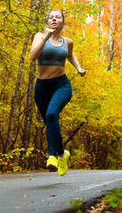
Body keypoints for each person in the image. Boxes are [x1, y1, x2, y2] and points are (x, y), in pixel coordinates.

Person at [30, 10, 86, 176]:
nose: (54, 19)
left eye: (58, 17)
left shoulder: (67, 42)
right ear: (48, 22)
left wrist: (78, 68)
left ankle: (52, 157)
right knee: (50, 124)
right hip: (41, 87)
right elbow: (33, 56)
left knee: (52, 114)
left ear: (62, 23)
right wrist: (46, 38)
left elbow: (70, 54)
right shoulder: (39, 36)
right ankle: (63, 155)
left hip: (61, 85)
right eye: (51, 17)